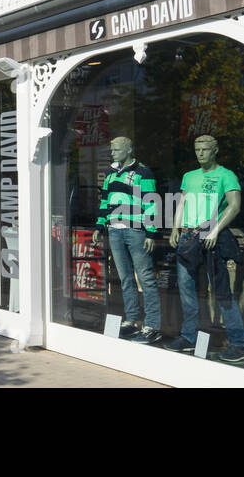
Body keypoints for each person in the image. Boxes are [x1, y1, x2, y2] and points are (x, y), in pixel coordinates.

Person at [165, 135, 244, 365]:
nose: (200, 153)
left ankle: (238, 343)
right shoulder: (189, 176)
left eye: (205, 149)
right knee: (186, 289)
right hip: (188, 236)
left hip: (211, 235)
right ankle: (188, 336)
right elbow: (182, 203)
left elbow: (235, 206)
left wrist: (215, 229)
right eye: (197, 149)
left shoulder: (226, 175)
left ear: (215, 151)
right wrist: (175, 228)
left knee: (222, 291)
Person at [91, 136, 162, 345]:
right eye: (112, 150)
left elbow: (151, 202)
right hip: (115, 230)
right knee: (125, 278)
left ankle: (153, 325)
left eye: (116, 149)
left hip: (136, 230)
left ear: (129, 149)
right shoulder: (111, 173)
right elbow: (104, 200)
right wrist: (100, 225)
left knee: (145, 277)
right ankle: (132, 320)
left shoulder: (143, 172)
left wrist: (151, 232)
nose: (112, 153)